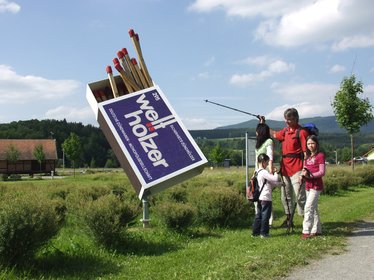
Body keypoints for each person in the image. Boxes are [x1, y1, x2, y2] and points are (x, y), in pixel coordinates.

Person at [260, 108, 308, 227]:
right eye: (286, 120)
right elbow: (275, 134)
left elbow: (306, 153)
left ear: (296, 118)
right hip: (285, 169)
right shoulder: (285, 131)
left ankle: (306, 220)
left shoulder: (301, 132)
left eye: (290, 120)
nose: (287, 122)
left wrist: (304, 170)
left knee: (300, 196)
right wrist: (264, 124)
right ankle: (288, 220)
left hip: (297, 169)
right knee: (285, 196)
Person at [300, 135, 325, 239]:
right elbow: (305, 169)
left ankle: (306, 231)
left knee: (308, 207)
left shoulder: (320, 156)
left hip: (316, 185)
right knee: (314, 208)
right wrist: (303, 176)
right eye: (308, 143)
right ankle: (317, 230)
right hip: (308, 185)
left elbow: (322, 172)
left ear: (317, 144)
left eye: (312, 143)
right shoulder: (307, 158)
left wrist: (310, 176)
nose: (310, 145)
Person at [252, 153, 282, 238]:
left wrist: (280, 184)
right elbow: (275, 179)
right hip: (265, 197)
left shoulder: (256, 172)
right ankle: (264, 233)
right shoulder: (264, 172)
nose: (268, 164)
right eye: (267, 162)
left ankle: (255, 233)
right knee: (265, 216)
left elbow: (269, 183)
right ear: (263, 162)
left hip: (259, 197)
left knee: (259, 215)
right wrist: (276, 172)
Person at [254, 123, 275, 227]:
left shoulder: (269, 141)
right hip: (258, 173)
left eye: (257, 131)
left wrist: (270, 170)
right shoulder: (259, 144)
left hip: (266, 172)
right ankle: (260, 221)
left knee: (266, 197)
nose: (256, 132)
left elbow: (270, 156)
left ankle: (268, 221)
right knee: (258, 197)